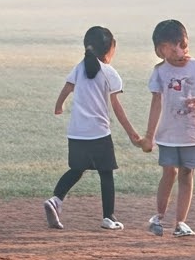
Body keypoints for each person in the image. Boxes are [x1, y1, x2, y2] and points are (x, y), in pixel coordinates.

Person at [45, 24, 147, 230]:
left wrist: (59, 106)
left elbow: (67, 88)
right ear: (109, 49)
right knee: (106, 173)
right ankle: (108, 217)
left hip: (77, 131)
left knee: (76, 169)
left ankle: (56, 200)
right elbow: (117, 109)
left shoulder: (79, 68)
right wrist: (133, 134)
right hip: (99, 132)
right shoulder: (110, 73)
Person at [142, 19, 195, 237]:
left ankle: (180, 223)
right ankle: (158, 217)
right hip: (168, 134)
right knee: (169, 172)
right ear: (161, 50)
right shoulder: (160, 71)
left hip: (193, 134)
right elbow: (156, 103)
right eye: (174, 45)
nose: (181, 49)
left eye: (184, 44)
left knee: (187, 173)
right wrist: (149, 136)